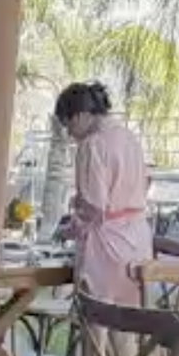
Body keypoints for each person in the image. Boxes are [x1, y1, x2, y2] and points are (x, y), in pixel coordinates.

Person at [54, 82, 153, 310]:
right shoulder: (129, 138)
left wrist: (74, 217)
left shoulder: (92, 144)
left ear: (80, 116)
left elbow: (95, 208)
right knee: (128, 323)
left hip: (106, 245)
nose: (70, 134)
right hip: (138, 241)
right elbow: (146, 182)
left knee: (97, 321)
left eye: (68, 125)